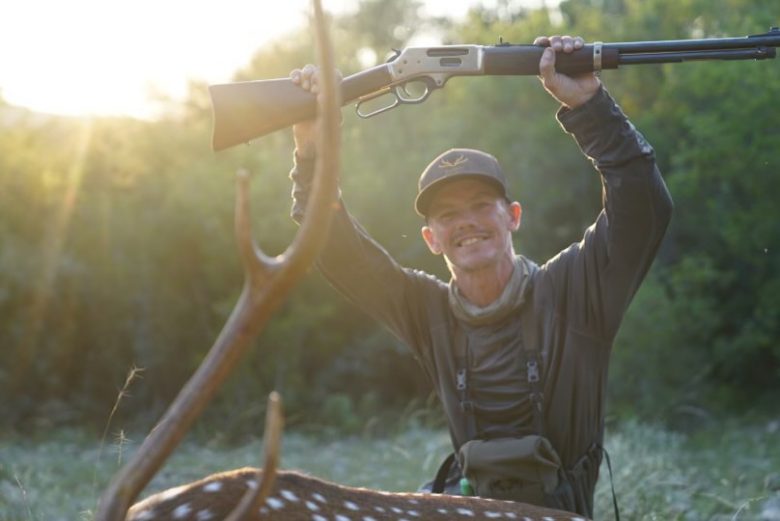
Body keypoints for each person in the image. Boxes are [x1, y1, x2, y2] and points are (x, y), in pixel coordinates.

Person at [287, 35, 673, 517]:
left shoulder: (574, 292)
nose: (465, 222)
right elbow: (337, 249)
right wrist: (311, 148)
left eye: (479, 206)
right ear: (432, 239)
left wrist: (591, 107)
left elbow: (643, 210)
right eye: (447, 215)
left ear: (513, 216)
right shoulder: (425, 310)